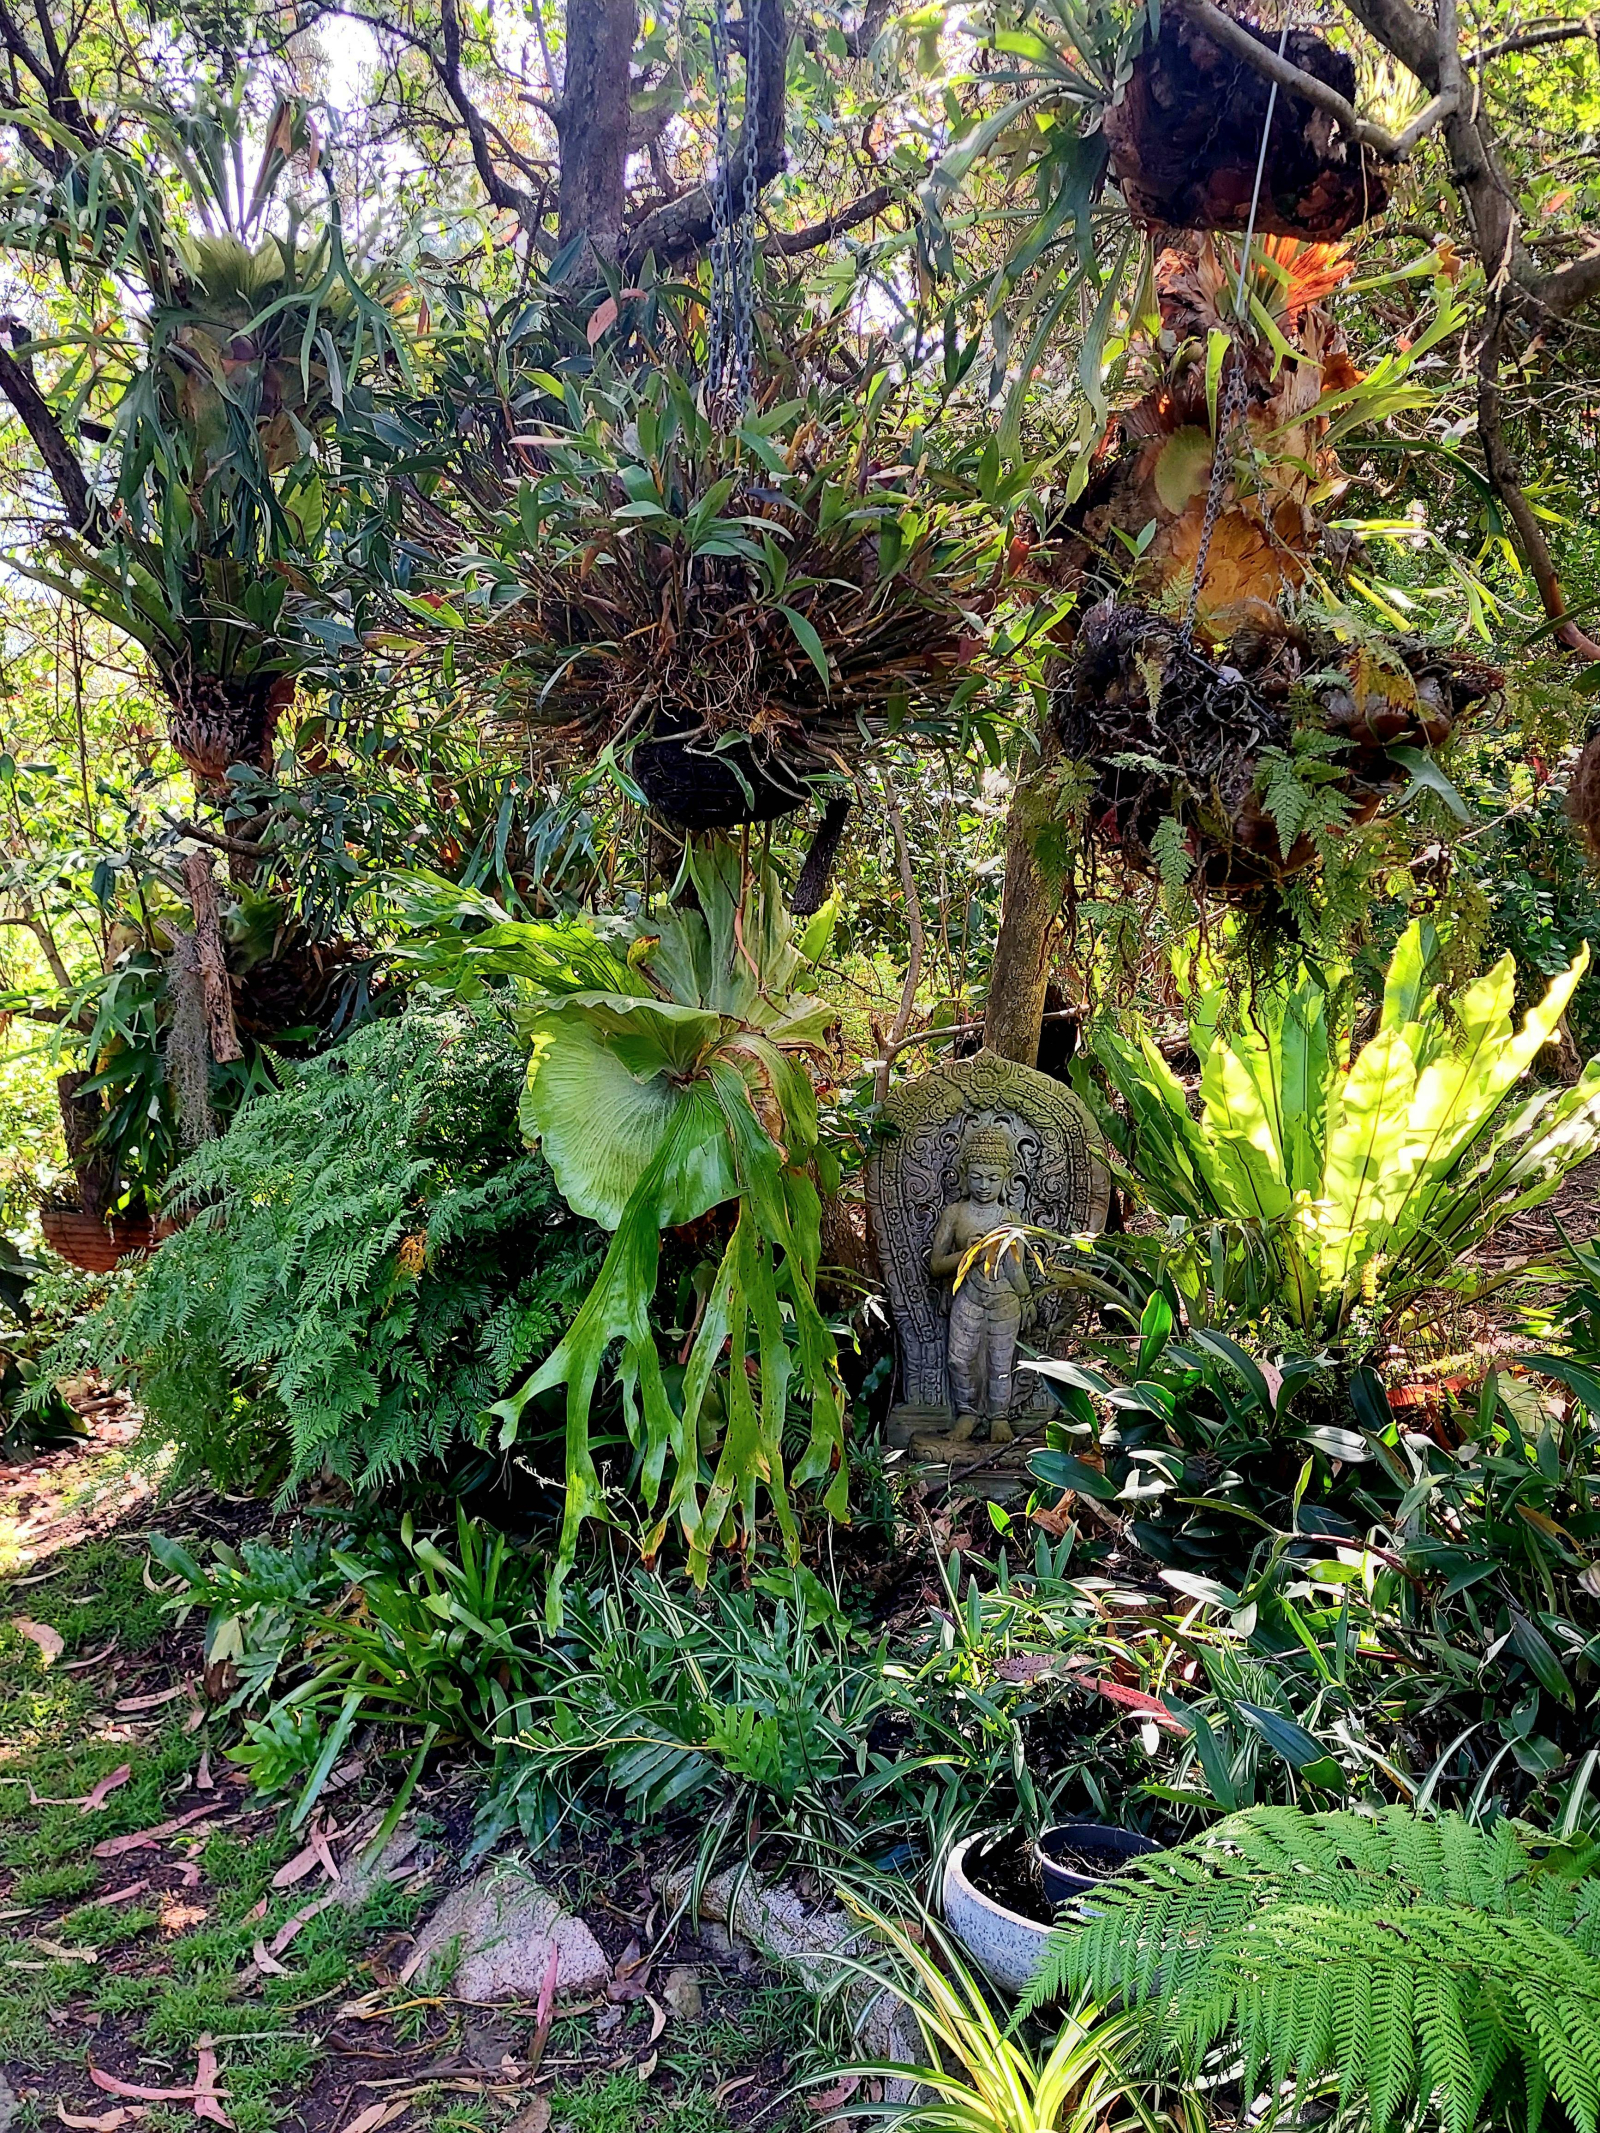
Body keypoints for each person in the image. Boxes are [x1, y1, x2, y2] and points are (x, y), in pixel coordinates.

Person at [928, 1125, 1032, 1442]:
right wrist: (970, 1255)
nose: (984, 1185)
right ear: (964, 1175)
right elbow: (935, 1265)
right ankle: (967, 1414)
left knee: (1001, 1361)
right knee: (959, 1358)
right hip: (968, 1296)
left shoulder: (1010, 1219)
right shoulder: (955, 1214)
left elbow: (1016, 1270)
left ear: (1006, 1179)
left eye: (992, 1178)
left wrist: (1027, 1299)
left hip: (1004, 1300)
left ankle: (999, 1417)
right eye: (976, 1177)